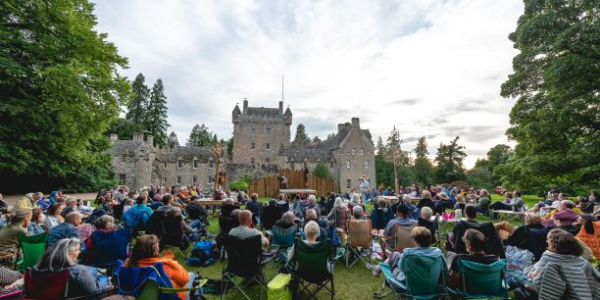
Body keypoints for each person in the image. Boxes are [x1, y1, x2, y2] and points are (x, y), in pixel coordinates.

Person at [516, 229, 600, 299]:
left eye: (548, 239)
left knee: (520, 281)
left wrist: (530, 275)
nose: (546, 241)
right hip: (582, 295)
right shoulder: (581, 260)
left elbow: (538, 283)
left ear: (554, 243)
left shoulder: (549, 258)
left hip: (560, 296)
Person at [34, 238, 108, 298]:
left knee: (92, 270)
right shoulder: (78, 271)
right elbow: (94, 291)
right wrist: (104, 279)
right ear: (68, 254)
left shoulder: (35, 270)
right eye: (77, 250)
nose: (79, 252)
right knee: (100, 276)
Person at [126, 234, 193, 300]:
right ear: (155, 250)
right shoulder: (163, 265)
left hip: (139, 296)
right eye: (157, 246)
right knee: (191, 275)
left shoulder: (129, 266)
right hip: (172, 297)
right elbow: (185, 278)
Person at [367, 226, 443, 279]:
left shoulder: (408, 254)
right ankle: (377, 268)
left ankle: (377, 269)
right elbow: (444, 272)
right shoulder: (438, 253)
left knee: (394, 258)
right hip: (431, 286)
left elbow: (401, 268)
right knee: (395, 254)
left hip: (410, 286)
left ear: (415, 240)